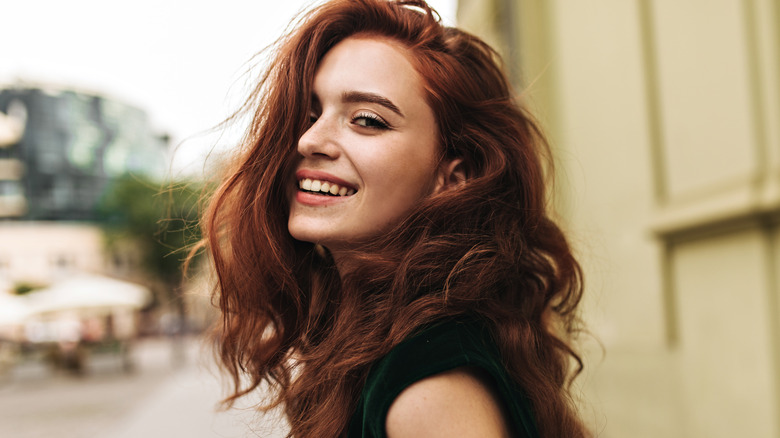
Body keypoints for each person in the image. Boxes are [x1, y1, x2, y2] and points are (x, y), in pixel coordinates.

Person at [199, 0, 588, 436]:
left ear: (452, 178)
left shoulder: (429, 388)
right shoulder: (378, 340)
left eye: (367, 120)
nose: (309, 139)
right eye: (309, 114)